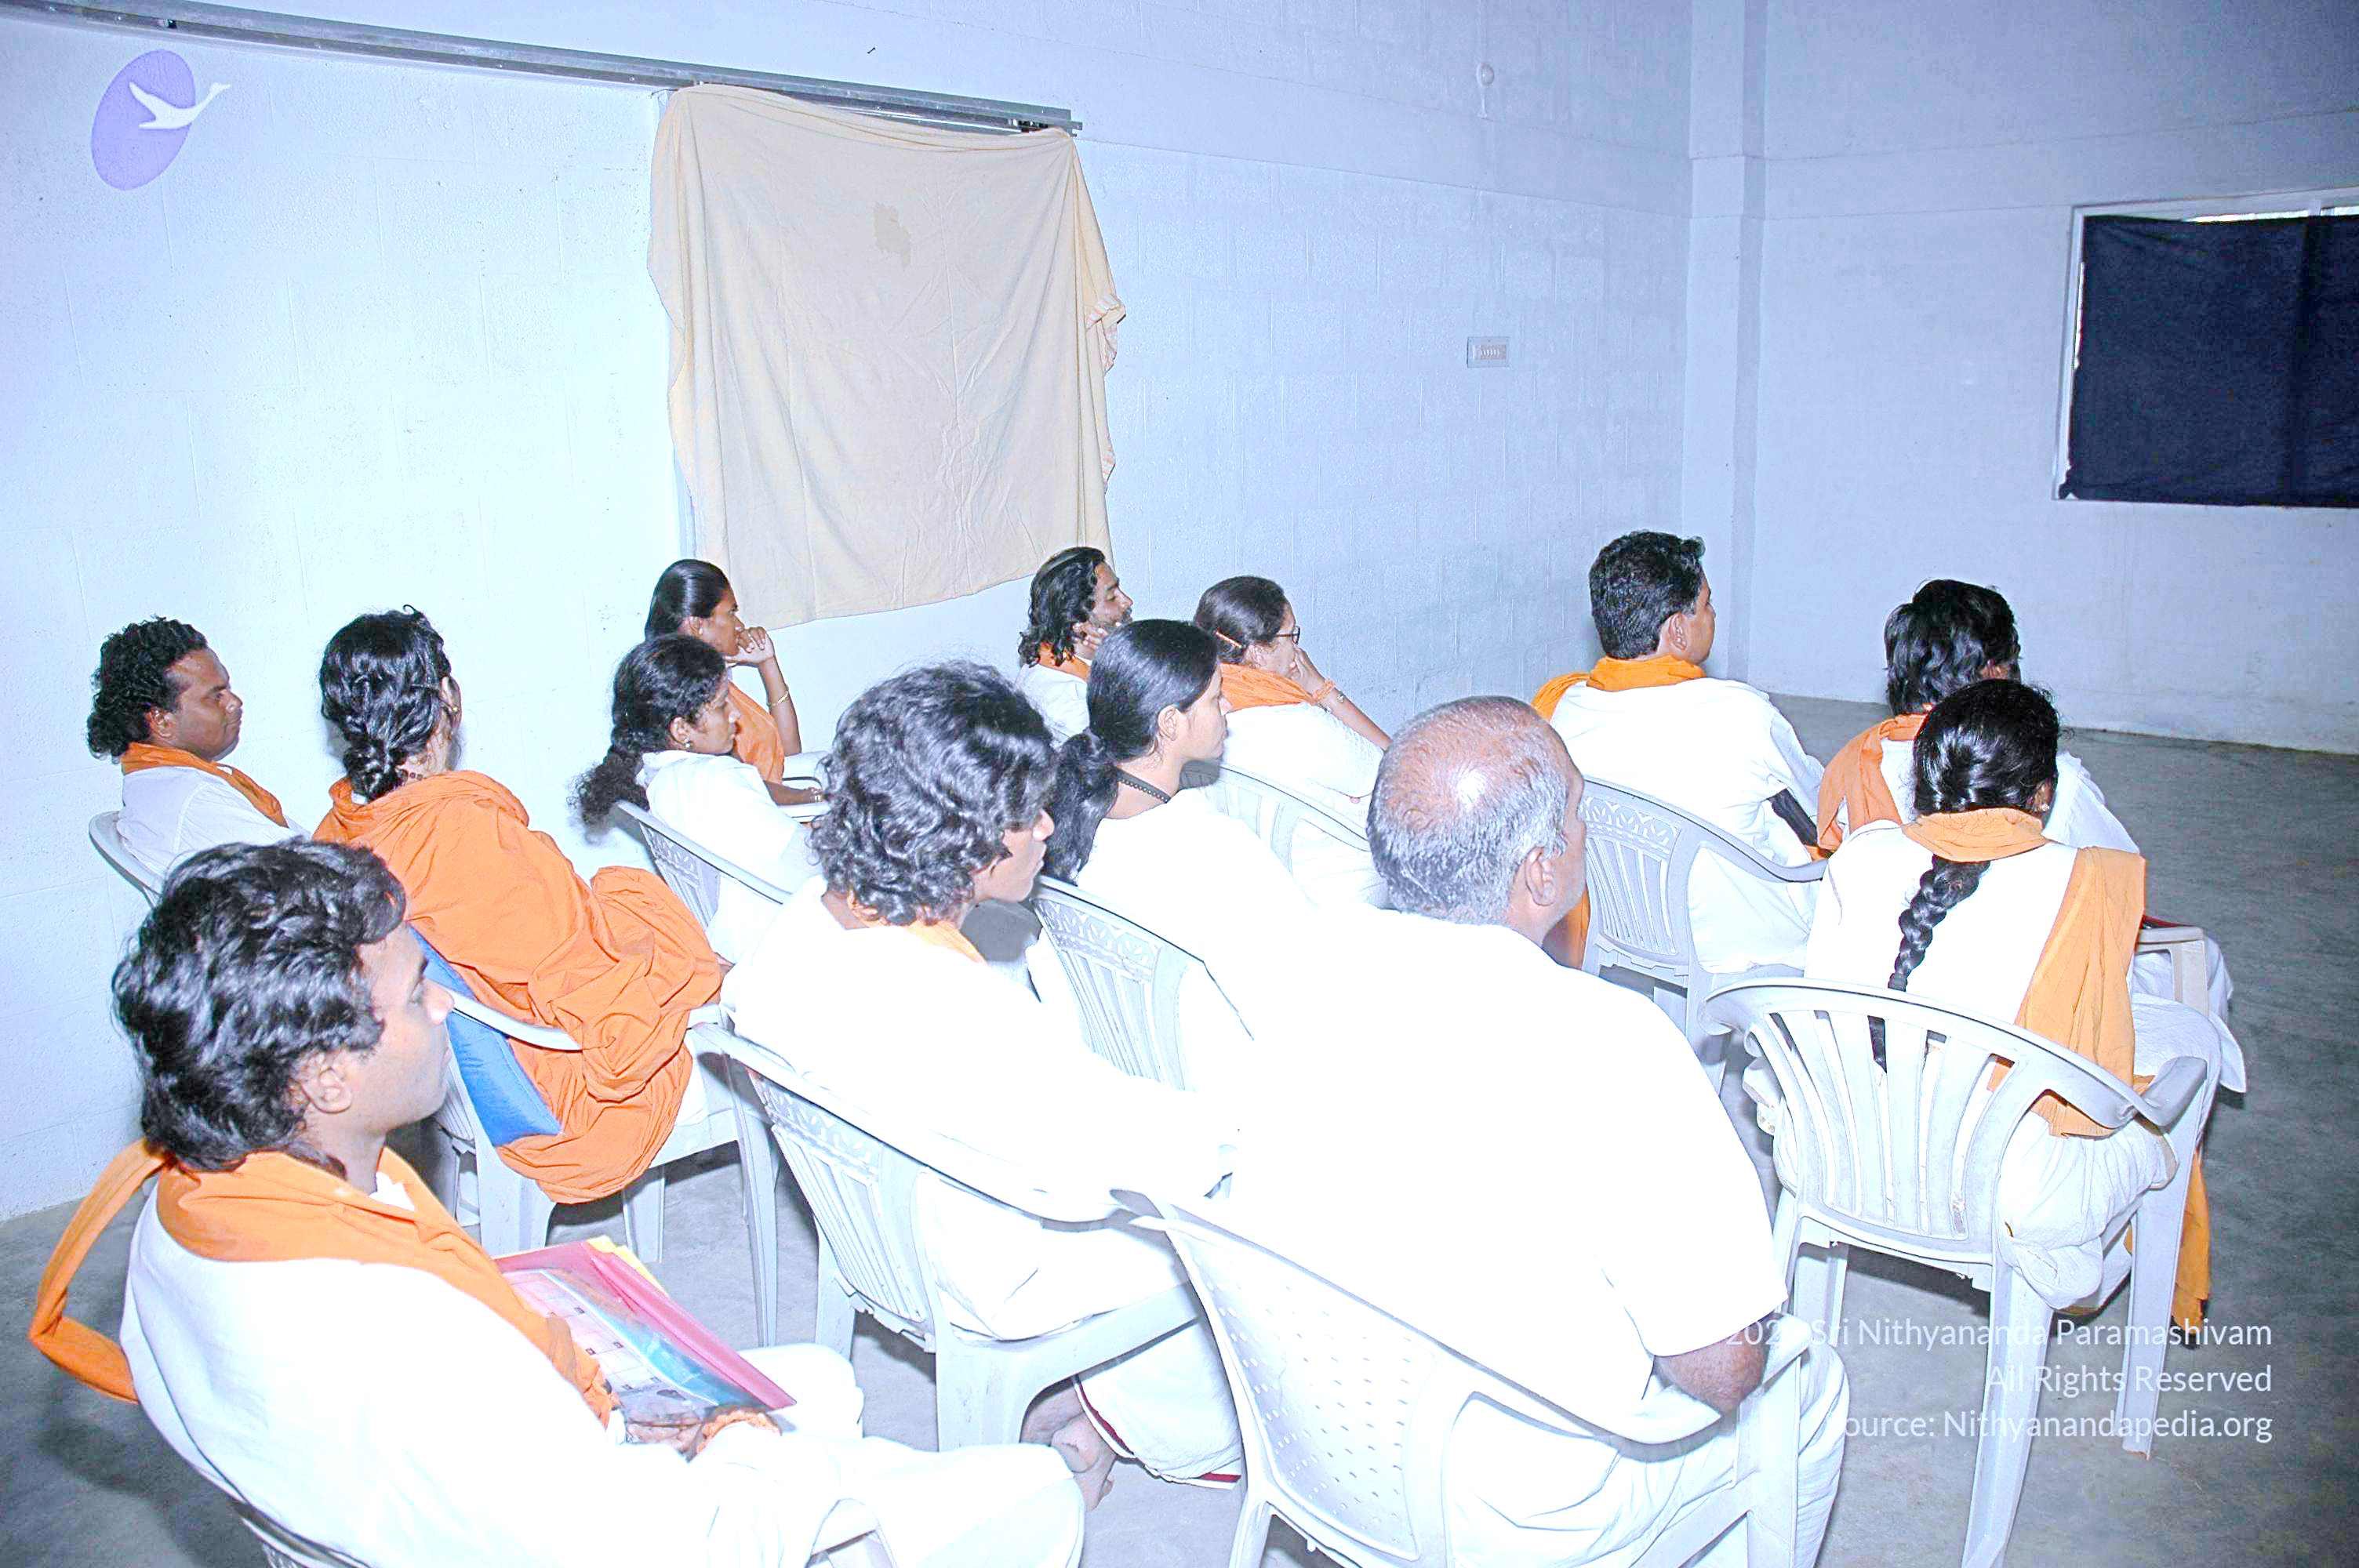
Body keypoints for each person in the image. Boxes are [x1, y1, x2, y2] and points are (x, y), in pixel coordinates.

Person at [27, 840, 1084, 1568]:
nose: (447, 1003)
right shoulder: (404, 1346)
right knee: (1031, 1490)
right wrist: (739, 1444)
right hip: (634, 1529)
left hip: (452, 1502)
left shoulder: (184, 1208)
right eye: (416, 994)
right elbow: (674, 1548)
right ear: (326, 1076)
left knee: (821, 1380)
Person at [1227, 696, 1848, 1566]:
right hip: (1527, 1520)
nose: (1587, 831)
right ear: (1541, 871)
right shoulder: (1615, 1042)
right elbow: (1722, 1371)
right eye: (1580, 813)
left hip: (1322, 1454)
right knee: (1808, 1385)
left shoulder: (1294, 971)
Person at [724, 662, 1242, 1504]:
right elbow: (1104, 1168)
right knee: (1249, 1207)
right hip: (995, 1266)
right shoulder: (953, 1009)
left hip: (887, 1230)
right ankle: (1146, 1425)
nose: (1047, 826)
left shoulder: (802, 924)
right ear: (960, 837)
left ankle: (1091, 1408)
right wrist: (1233, 1132)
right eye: (1026, 813)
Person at [1793, 680, 2214, 1325]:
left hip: (1836, 1148)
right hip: (1996, 1183)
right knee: (2191, 1062)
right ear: (2042, 794)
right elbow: (2093, 1081)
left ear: (1926, 779)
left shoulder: (1858, 854)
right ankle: (2107, 1272)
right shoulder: (2091, 879)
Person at [313, 608, 719, 1205]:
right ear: (445, 699)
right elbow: (587, 986)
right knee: (664, 929)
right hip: (562, 1089)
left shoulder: (340, 831)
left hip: (471, 1075)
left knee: (623, 897)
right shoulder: (462, 832)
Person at [1816, 579, 2242, 1088]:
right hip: (2016, 1047)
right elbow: (2119, 899)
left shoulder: (1859, 763)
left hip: (1881, 1019)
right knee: (2199, 976)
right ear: (1994, 672)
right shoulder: (2055, 788)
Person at [1038, 621, 1321, 1094]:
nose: (1227, 707)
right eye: (1215, 697)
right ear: (1170, 723)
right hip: (1233, 1085)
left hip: (1132, 1078)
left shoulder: (1063, 826)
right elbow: (1304, 1005)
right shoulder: (1213, 849)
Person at [1539, 532, 1823, 972]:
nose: (1713, 615)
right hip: (1741, 944)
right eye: (1706, 604)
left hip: (1620, 927)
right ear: (1677, 629)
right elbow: (1823, 809)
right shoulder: (1743, 713)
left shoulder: (1562, 710)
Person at [576, 635, 820, 964]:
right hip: (781, 934)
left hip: (729, 934)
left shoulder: (654, 775)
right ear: (682, 730)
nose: (735, 714)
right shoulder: (718, 779)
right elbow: (806, 867)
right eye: (721, 705)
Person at [1192, 575, 1389, 906]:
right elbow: (1399, 766)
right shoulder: (1302, 724)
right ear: (1257, 653)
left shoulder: (1196, 717)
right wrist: (1320, 688)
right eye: (1290, 635)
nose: (1297, 649)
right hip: (1341, 886)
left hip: (1257, 886)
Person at [87, 618, 296, 873]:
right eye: (216, 696)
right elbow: (313, 875)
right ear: (162, 720)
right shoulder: (194, 800)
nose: (235, 702)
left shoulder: (158, 785)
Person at [645, 558, 812, 801]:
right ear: (697, 624)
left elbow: (789, 750)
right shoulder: (695, 700)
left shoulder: (710, 684)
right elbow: (745, 788)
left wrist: (767, 663)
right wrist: (813, 798)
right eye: (731, 613)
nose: (740, 625)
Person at [1014, 545, 1133, 743]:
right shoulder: (1068, 703)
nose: (1128, 601)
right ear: (1077, 622)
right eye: (1112, 597)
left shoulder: (1057, 657)